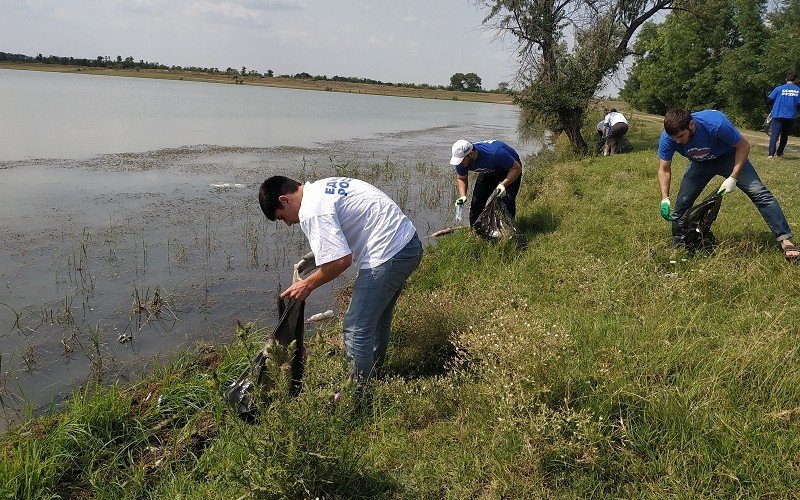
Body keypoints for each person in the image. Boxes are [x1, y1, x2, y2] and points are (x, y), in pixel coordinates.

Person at [259, 176, 423, 386]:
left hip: (388, 255)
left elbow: (340, 260)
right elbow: (339, 237)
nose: (289, 223)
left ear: (285, 200)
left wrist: (307, 284)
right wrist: (311, 260)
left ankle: (359, 397)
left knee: (356, 327)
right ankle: (374, 376)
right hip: (408, 245)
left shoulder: (311, 210)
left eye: (282, 217)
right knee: (377, 318)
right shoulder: (320, 188)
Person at [657, 108, 799, 261]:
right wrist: (665, 198)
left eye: (680, 136)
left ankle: (785, 240)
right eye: (674, 138)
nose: (678, 141)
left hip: (729, 157)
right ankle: (679, 245)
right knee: (682, 204)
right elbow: (664, 169)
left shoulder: (715, 124)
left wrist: (733, 177)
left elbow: (743, 146)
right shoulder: (668, 137)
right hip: (699, 163)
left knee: (759, 193)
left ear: (691, 124)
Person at [450, 139, 523, 228]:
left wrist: (503, 185)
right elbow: (461, 178)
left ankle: (509, 229)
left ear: (471, 154)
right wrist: (463, 196)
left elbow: (517, 168)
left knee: (507, 201)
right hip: (489, 171)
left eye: (461, 160)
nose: (460, 164)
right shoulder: (461, 161)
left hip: (510, 170)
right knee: (476, 203)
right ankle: (475, 232)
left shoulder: (496, 153)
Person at [767, 71, 800, 158]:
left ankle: (771, 154)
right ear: (795, 80)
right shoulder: (798, 90)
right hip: (790, 116)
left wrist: (774, 107)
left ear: (786, 78)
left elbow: (769, 100)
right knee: (785, 135)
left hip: (777, 114)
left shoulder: (779, 88)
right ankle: (780, 153)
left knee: (774, 134)